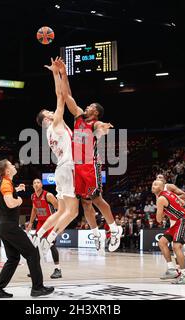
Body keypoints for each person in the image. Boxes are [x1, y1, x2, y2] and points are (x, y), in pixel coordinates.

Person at [57, 58, 123, 252]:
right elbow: (66, 94)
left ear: (96, 112)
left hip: (90, 164)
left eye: (91, 106)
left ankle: (114, 229)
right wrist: (62, 73)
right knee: (85, 204)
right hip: (76, 166)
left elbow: (101, 127)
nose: (87, 107)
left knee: (96, 199)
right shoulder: (78, 117)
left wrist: (105, 126)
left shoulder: (93, 124)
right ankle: (96, 235)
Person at [0, 160, 54, 298]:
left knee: (13, 259)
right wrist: (18, 200)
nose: (14, 166)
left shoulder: (5, 183)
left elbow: (6, 194)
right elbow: (10, 202)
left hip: (4, 226)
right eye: (11, 165)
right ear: (7, 171)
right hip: (10, 227)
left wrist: (16, 189)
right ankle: (37, 288)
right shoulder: (6, 183)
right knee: (32, 253)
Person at [34, 57, 80, 253]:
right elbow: (60, 96)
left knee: (61, 210)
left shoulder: (48, 132)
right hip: (68, 166)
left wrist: (56, 73)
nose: (53, 111)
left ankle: (38, 236)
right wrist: (58, 73)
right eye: (49, 111)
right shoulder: (56, 123)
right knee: (73, 211)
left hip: (61, 169)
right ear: (47, 118)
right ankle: (50, 239)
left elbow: (60, 96)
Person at [156, 174, 185, 280]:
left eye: (160, 178)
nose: (158, 179)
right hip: (173, 218)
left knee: (177, 246)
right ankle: (179, 269)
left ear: (164, 181)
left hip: (179, 218)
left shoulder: (169, 187)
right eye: (157, 178)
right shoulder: (158, 193)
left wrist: (175, 199)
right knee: (175, 245)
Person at [27, 178, 62, 279]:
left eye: (38, 182)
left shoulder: (48, 195)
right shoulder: (33, 196)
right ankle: (35, 269)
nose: (36, 184)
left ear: (41, 185)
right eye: (34, 183)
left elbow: (60, 209)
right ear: (33, 186)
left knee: (51, 244)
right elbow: (34, 209)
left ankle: (58, 269)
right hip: (41, 223)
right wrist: (31, 223)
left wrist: (60, 224)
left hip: (51, 222)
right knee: (35, 245)